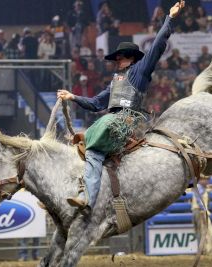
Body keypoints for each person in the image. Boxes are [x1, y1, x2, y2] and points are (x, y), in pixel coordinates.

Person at [57, 1, 186, 210]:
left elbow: (158, 44)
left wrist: (169, 19)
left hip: (127, 120)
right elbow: (96, 103)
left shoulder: (140, 70)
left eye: (120, 57)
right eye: (116, 57)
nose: (117, 60)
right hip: (111, 122)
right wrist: (73, 97)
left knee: (102, 126)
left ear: (131, 58)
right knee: (93, 153)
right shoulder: (116, 80)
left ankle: (88, 193)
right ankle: (87, 197)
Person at [191, 177, 212, 255]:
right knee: (202, 230)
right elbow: (199, 199)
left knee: (201, 230)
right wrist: (204, 209)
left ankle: (202, 249)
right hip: (199, 211)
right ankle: (203, 250)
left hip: (198, 210)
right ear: (201, 180)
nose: (207, 181)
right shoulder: (199, 187)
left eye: (207, 179)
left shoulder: (200, 188)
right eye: (205, 179)